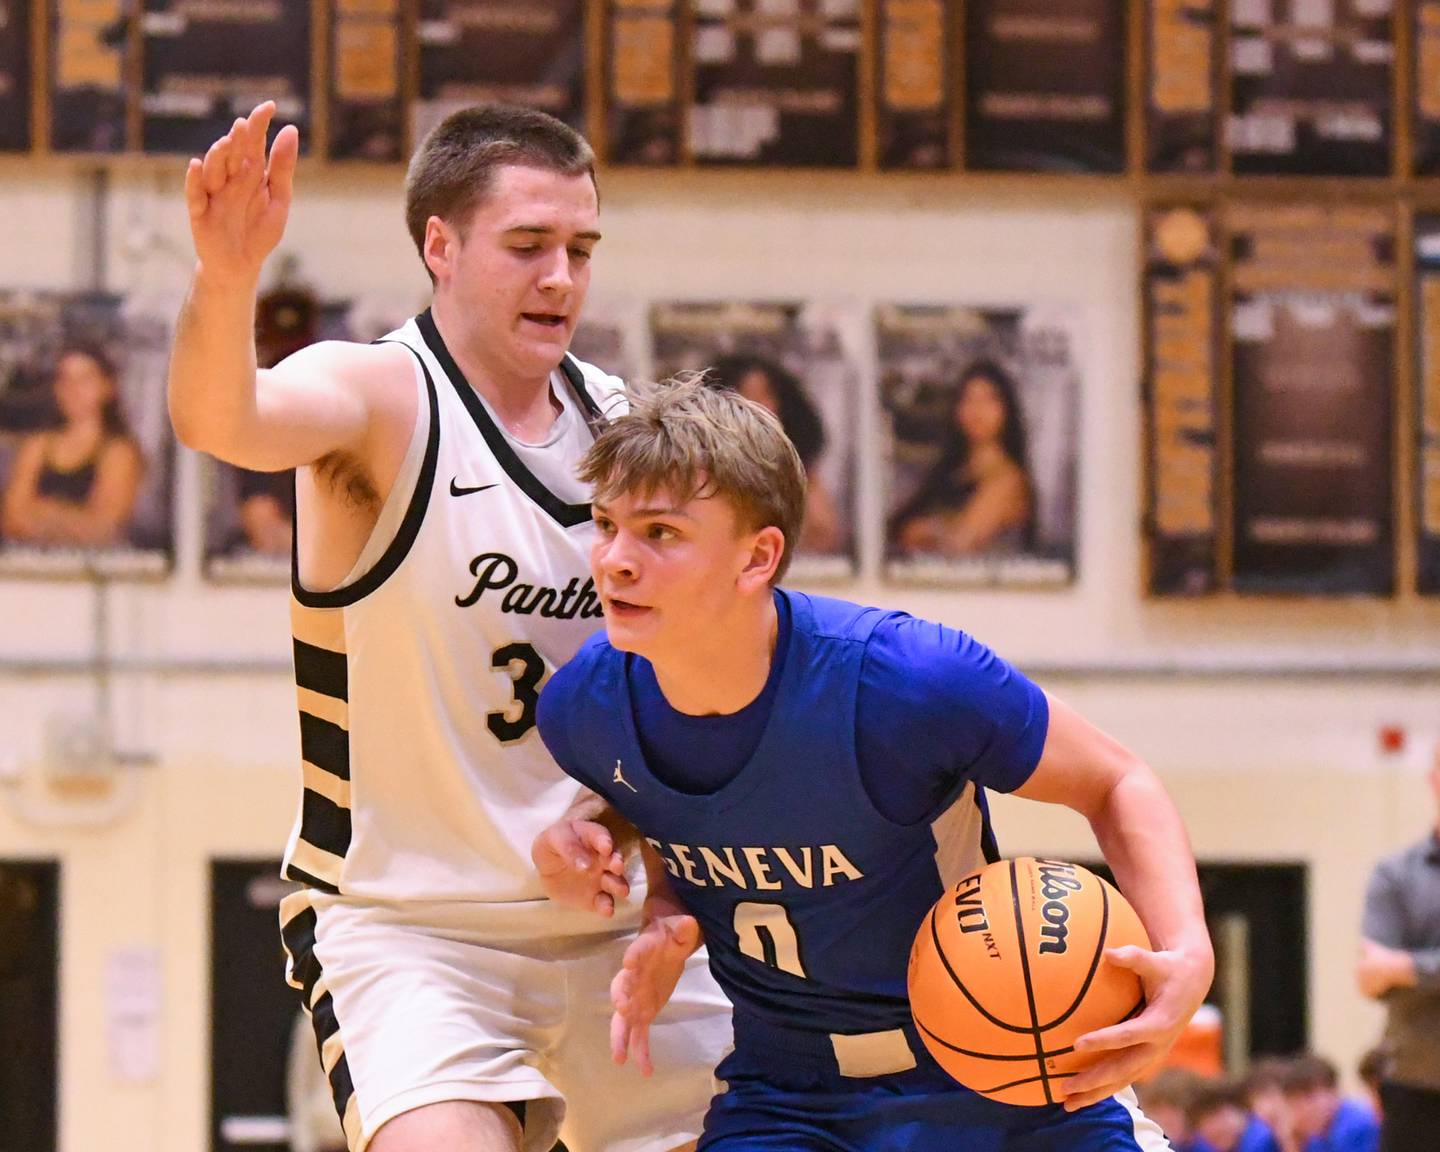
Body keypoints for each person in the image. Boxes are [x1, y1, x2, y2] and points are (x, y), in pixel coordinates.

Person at [167, 102, 729, 1152]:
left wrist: (638, 854)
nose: (561, 276)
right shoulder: (381, 396)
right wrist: (225, 275)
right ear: (441, 245)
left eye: (580, 248)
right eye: (528, 246)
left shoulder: (627, 430)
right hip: (415, 932)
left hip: (612, 926)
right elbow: (222, 419)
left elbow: (693, 686)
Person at [531, 378, 1215, 1149]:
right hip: (790, 1097)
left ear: (758, 557)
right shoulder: (583, 707)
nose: (615, 560)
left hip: (1003, 1067)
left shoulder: (907, 680)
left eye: (659, 532)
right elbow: (666, 805)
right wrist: (643, 891)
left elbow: (1116, 780)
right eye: (605, 524)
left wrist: (1186, 948)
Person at [1356, 748, 1440, 1152]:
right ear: (1434, 778)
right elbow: (1372, 978)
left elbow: (1389, 968)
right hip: (1414, 1080)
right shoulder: (1396, 873)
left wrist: (1407, 967)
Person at [888, 358, 1035, 559]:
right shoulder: (951, 470)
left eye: (989, 399)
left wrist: (928, 530)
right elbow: (901, 529)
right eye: (968, 399)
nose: (977, 410)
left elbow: (959, 543)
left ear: (1007, 409)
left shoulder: (1009, 481)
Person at [1, 344, 144, 548]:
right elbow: (11, 519)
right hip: (30, 567)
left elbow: (104, 528)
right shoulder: (37, 445)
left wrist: (43, 510)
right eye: (64, 379)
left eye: (84, 379)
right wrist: (71, 520)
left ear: (107, 387)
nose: (73, 389)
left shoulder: (120, 453)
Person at [706, 353, 842, 554]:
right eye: (749, 394)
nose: (764, 406)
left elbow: (825, 535)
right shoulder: (703, 471)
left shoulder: (798, 470)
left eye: (767, 395)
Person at [1281, 1055, 1379, 1152]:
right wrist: (1292, 1141)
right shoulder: (1317, 1134)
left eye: (1308, 1099)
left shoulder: (1357, 1125)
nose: (1302, 1111)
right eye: (1293, 1104)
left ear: (1334, 1092)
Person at [1188, 1079, 1283, 1152]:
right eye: (1201, 1123)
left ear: (1240, 1110)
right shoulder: (1202, 1145)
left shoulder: (1264, 1139)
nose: (1212, 1129)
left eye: (1217, 1116)